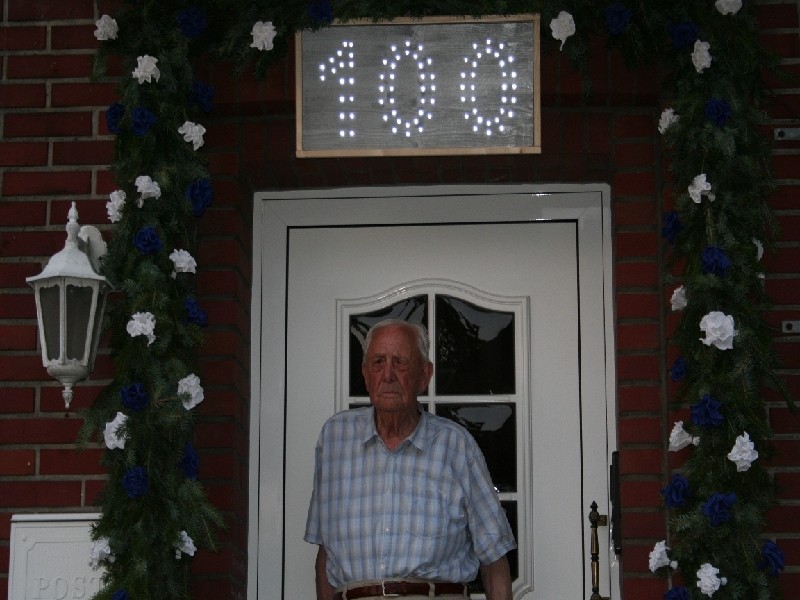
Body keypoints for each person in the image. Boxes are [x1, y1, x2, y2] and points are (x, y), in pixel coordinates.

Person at [305, 319, 516, 600]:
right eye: (378, 362)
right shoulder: (335, 439)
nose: (388, 375)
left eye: (400, 362)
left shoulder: (455, 445)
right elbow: (325, 554)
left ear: (424, 375)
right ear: (365, 374)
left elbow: (494, 558)